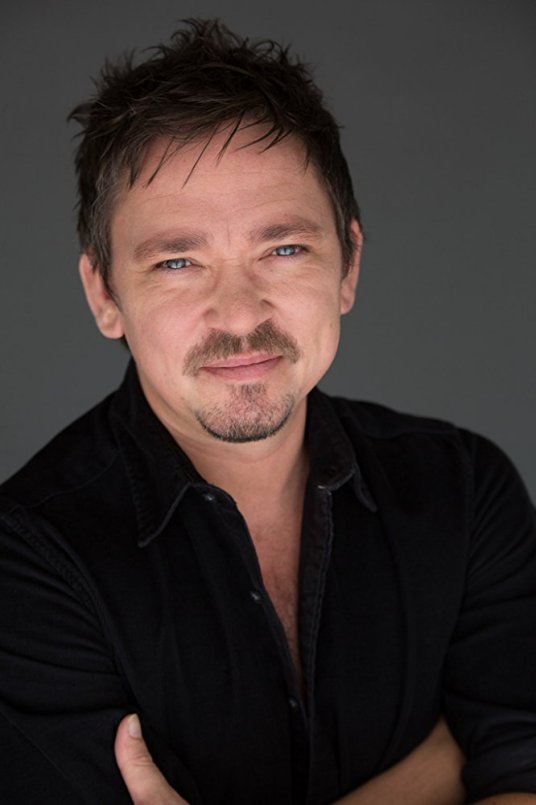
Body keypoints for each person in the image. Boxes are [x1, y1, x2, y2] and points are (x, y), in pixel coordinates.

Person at [0, 18, 535, 804]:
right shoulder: (26, 559)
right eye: (178, 261)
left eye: (283, 249)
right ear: (104, 294)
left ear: (348, 265)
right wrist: (439, 765)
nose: (239, 311)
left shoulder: (466, 490)